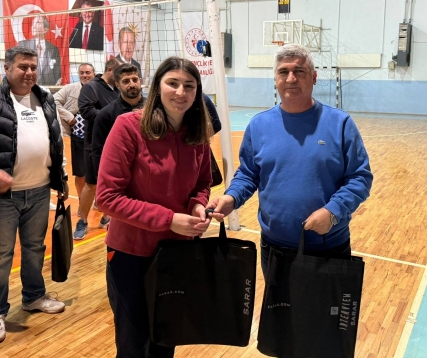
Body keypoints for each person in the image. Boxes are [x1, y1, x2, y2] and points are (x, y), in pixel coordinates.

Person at [209, 44, 373, 277]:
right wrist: (231, 197)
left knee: (323, 304)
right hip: (274, 248)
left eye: (299, 71)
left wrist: (333, 211)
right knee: (278, 303)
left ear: (314, 77)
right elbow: (248, 174)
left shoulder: (340, 123)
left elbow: (360, 178)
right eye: (283, 72)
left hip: (328, 247)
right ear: (276, 79)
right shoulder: (259, 125)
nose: (291, 78)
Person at [96, 57, 213, 357]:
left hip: (177, 252)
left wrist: (198, 206)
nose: (181, 92)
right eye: (172, 83)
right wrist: (169, 219)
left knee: (165, 337)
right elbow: (107, 197)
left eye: (189, 86)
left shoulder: (198, 132)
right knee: (133, 342)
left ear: (197, 92)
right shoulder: (128, 127)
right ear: (157, 87)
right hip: (131, 254)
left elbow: (203, 183)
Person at [0, 46, 68, 344]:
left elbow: (56, 140)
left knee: (35, 247)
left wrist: (61, 176)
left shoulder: (45, 97)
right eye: (23, 67)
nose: (30, 72)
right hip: (2, 198)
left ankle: (34, 296)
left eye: (33, 67)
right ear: (7, 68)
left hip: (39, 191)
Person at [74, 58, 121, 239]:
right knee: (91, 184)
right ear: (110, 70)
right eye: (119, 74)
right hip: (95, 144)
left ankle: (106, 217)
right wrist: (114, 116)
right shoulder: (91, 87)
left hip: (116, 143)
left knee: (113, 183)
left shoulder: (117, 89)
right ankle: (82, 220)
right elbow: (86, 111)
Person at [90, 64, 145, 205]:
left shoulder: (155, 109)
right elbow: (98, 150)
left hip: (149, 175)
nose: (132, 84)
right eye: (126, 81)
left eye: (135, 79)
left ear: (140, 81)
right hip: (122, 177)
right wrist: (102, 183)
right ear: (117, 85)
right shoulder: (105, 114)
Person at [54, 63, 95, 211]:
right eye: (82, 72)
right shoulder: (69, 88)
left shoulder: (100, 89)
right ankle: (82, 203)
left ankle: (99, 201)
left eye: (88, 72)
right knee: (80, 173)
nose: (85, 75)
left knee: (99, 171)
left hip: (97, 137)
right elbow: (53, 101)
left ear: (94, 74)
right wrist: (69, 116)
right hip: (78, 137)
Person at [16, 15, 62, 86]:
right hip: (28, 87)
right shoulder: (22, 45)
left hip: (49, 89)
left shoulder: (54, 49)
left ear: (45, 29)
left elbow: (57, 72)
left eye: (37, 23)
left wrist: (56, 84)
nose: (33, 26)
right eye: (33, 23)